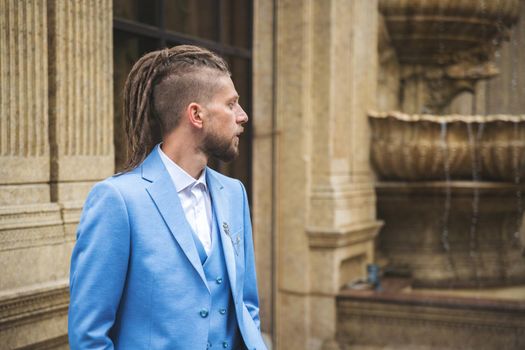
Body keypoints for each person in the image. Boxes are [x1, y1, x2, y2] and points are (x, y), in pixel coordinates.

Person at [68, 45, 266, 350]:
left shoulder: (234, 194)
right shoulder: (117, 200)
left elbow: (246, 306)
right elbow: (89, 336)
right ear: (196, 115)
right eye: (231, 104)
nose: (243, 116)